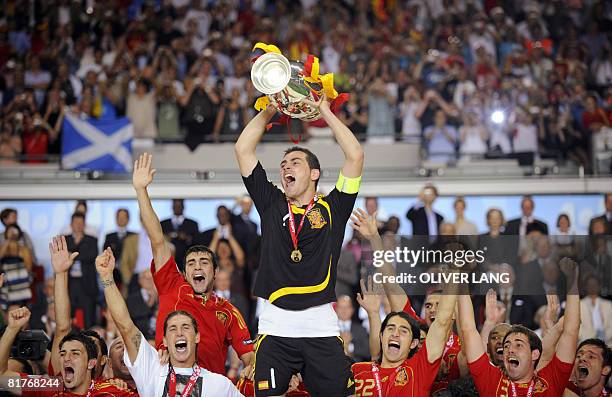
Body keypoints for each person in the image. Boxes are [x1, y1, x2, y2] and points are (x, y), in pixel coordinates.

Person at [234, 93, 364, 397]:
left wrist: (325, 112)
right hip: (275, 326)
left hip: (320, 326)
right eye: (282, 164)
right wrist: (269, 111)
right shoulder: (270, 203)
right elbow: (243, 149)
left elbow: (355, 155)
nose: (285, 168)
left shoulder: (335, 207)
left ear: (314, 174)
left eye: (294, 162)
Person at [132, 153, 254, 376]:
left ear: (215, 272)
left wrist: (251, 369)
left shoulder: (228, 311)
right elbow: (157, 239)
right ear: (185, 271)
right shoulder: (172, 285)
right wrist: (141, 191)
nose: (197, 267)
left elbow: (248, 355)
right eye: (191, 263)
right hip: (167, 381)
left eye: (204, 262)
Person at [94, 247, 242, 396]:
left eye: (185, 327)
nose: (179, 333)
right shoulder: (151, 369)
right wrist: (107, 278)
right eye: (172, 329)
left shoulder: (220, 385)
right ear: (164, 339)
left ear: (197, 336)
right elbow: (125, 325)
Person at [459, 257, 581, 397]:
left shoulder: (549, 381)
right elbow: (468, 330)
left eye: (519, 345)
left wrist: (572, 280)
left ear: (535, 354)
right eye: (506, 346)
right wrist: (461, 275)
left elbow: (571, 331)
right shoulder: (491, 380)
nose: (510, 350)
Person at [0, 307, 135, 396]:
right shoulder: (50, 386)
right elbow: (2, 377)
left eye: (75, 353)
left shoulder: (112, 391)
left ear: (91, 363)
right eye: (63, 353)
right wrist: (12, 329)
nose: (66, 358)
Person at [64, 212, 99, 329]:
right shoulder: (64, 240)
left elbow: (91, 256)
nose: (78, 225)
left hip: (87, 283)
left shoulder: (92, 240)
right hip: (69, 282)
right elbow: (62, 258)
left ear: (84, 224)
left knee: (89, 317)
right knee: (67, 316)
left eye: (81, 223)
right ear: (71, 224)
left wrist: (72, 255)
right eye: (76, 223)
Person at [160, 198, 199, 266]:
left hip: (187, 261)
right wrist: (167, 237)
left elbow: (197, 242)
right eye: (175, 206)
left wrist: (186, 238)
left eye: (179, 206)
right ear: (172, 207)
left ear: (183, 207)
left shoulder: (192, 224)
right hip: (167, 261)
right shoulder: (163, 223)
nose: (177, 208)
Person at [103, 208, 135, 287]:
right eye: (119, 217)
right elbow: (105, 254)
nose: (121, 220)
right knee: (110, 293)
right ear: (116, 219)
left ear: (128, 219)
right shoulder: (109, 236)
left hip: (130, 273)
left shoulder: (134, 236)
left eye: (124, 217)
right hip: (113, 273)